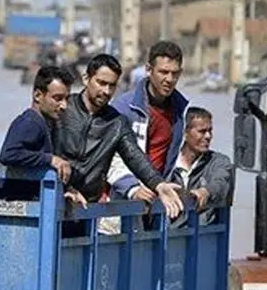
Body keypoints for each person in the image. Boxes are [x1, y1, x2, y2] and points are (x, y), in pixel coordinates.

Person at [52, 53, 183, 220]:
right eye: (101, 83)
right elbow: (43, 148)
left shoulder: (116, 123)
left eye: (112, 86)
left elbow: (135, 157)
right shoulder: (63, 109)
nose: (106, 91)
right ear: (86, 79)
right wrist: (66, 188)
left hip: (86, 209)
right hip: (54, 200)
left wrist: (159, 184)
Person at [109, 40, 190, 207]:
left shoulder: (179, 110)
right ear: (148, 70)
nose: (169, 79)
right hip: (123, 198)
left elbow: (174, 156)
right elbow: (109, 155)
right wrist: (131, 187)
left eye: (175, 73)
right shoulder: (124, 108)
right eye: (163, 72)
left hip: (160, 197)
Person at [0, 66, 77, 202]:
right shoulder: (31, 122)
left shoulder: (46, 124)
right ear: (37, 95)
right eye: (57, 98)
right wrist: (51, 159)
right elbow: (9, 154)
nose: (64, 105)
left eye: (66, 99)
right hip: (19, 206)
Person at [166, 107, 234, 225]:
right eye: (201, 131)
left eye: (210, 131)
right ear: (185, 133)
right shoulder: (167, 163)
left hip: (203, 235)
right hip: (168, 234)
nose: (208, 136)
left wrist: (206, 191)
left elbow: (221, 183)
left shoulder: (219, 162)